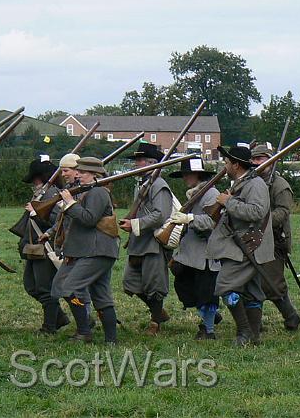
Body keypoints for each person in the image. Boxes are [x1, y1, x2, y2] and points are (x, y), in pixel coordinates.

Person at [207, 145, 273, 346]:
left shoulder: (255, 185)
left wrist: (228, 202)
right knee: (251, 291)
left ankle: (244, 332)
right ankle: (253, 337)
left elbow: (256, 212)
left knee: (225, 287)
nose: (224, 165)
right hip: (243, 245)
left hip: (248, 245)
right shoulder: (241, 183)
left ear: (236, 165)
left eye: (227, 162)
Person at [50, 157, 119, 344]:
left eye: (83, 172)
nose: (78, 174)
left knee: (69, 288)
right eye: (78, 171)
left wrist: (70, 204)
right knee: (101, 296)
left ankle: (84, 331)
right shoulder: (88, 191)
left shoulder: (98, 193)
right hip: (90, 251)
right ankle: (110, 340)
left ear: (95, 174)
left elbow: (89, 219)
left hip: (96, 251)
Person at [120, 143, 173, 336]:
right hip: (138, 242)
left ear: (151, 163)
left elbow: (161, 214)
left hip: (153, 243)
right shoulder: (143, 183)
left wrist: (135, 224)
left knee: (154, 286)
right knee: (130, 282)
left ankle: (155, 322)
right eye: (136, 160)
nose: (136, 164)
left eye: (140, 160)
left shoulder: (159, 184)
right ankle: (158, 312)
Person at [250, 143, 300, 331]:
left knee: (272, 283)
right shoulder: (252, 182)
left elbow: (283, 213)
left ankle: (291, 316)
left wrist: (259, 219)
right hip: (253, 238)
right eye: (253, 159)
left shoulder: (280, 185)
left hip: (274, 240)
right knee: (252, 281)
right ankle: (256, 323)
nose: (256, 163)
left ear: (270, 160)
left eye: (260, 159)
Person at [167, 157, 220, 339]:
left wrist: (190, 219)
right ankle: (210, 318)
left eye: (188, 174)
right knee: (185, 287)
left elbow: (213, 222)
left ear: (199, 174)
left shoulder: (211, 194)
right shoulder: (195, 193)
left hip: (205, 253)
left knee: (207, 294)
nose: (185, 177)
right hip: (190, 253)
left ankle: (209, 330)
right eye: (184, 174)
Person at [18, 155, 70, 334]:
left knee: (44, 289)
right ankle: (59, 317)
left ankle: (49, 327)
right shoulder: (41, 193)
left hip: (46, 246)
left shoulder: (52, 194)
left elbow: (59, 220)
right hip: (35, 246)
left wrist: (36, 213)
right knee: (31, 286)